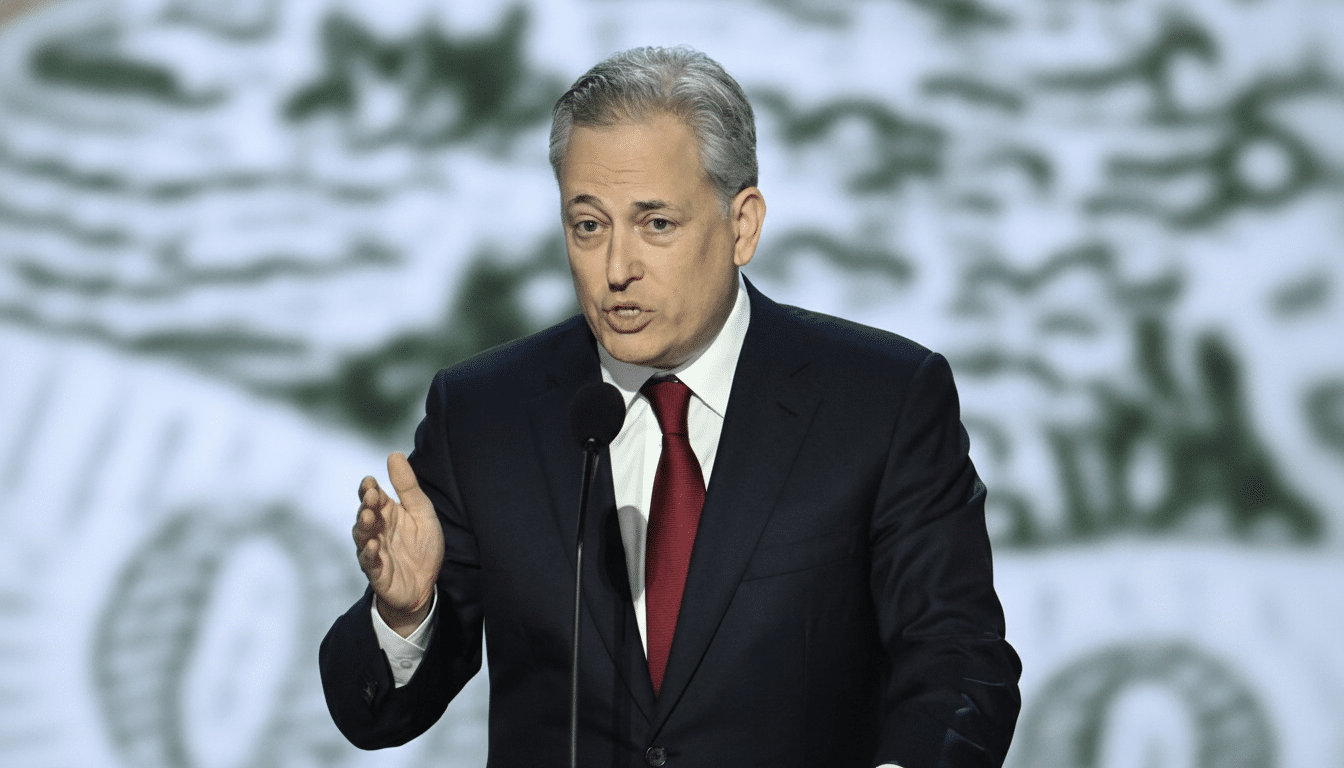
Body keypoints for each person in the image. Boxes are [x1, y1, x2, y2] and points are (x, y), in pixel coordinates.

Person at [319, 46, 1021, 768]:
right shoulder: (486, 415)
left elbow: (960, 663)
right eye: (589, 226)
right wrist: (404, 615)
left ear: (742, 224)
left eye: (656, 224)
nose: (617, 267)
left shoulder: (881, 401)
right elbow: (374, 716)